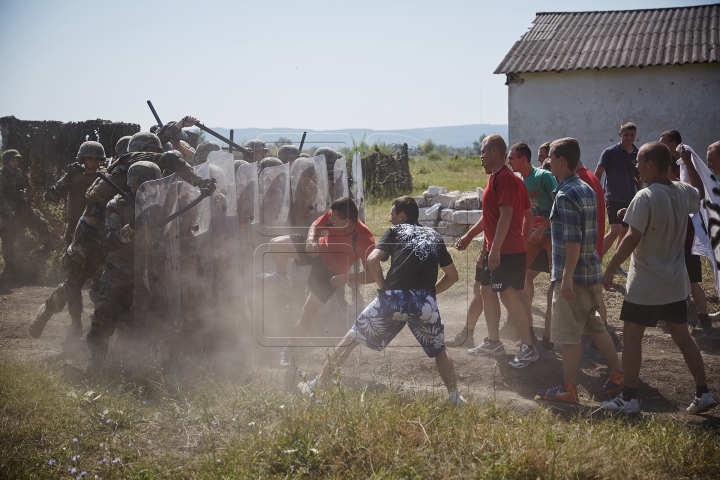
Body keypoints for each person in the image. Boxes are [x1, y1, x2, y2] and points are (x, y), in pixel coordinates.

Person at [297, 196, 465, 406]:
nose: (389, 220)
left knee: (350, 340)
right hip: (424, 303)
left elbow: (372, 259)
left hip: (391, 298)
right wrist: (429, 295)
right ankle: (455, 397)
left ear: (402, 216)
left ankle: (316, 385)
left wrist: (383, 287)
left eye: (392, 215)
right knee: (440, 349)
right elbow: (453, 276)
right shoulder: (435, 236)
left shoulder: (395, 232)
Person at [601, 142, 716, 414]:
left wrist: (609, 268)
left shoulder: (645, 196)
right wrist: (687, 160)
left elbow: (631, 237)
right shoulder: (681, 191)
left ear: (651, 165)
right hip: (675, 283)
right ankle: (704, 393)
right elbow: (699, 191)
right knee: (683, 337)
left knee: (631, 338)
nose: (636, 167)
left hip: (646, 284)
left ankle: (629, 398)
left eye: (639, 162)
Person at [534, 138, 623, 403]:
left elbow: (573, 239)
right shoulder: (585, 187)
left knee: (569, 336)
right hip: (591, 270)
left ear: (562, 160)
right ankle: (618, 375)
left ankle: (568, 388)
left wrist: (567, 276)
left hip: (573, 275)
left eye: (550, 156)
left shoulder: (564, 194)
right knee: (594, 326)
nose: (546, 161)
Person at [260, 197, 375, 368]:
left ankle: (289, 350)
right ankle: (281, 276)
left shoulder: (365, 239)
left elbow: (372, 275)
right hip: (316, 249)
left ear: (348, 221)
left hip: (330, 274)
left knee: (307, 312)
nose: (330, 219)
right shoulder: (335, 214)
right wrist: (310, 240)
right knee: (275, 244)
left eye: (335, 219)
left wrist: (346, 278)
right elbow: (316, 223)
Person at [457, 135, 539, 368]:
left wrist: (497, 249)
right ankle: (494, 341)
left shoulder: (506, 179)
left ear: (494, 151)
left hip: (505, 250)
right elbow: (492, 217)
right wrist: (471, 238)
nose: (480, 158)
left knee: (508, 296)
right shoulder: (497, 179)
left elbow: (506, 215)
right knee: (486, 291)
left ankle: (528, 347)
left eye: (483, 152)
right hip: (496, 249)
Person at [85, 161, 163, 376]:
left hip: (148, 272)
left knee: (139, 321)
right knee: (104, 318)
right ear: (135, 184)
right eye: (147, 185)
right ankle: (96, 363)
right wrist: (133, 227)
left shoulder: (161, 202)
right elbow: (109, 242)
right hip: (120, 271)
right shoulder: (117, 204)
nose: (151, 190)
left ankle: (132, 366)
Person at [28, 142, 108, 338]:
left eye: (98, 159)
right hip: (76, 234)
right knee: (74, 281)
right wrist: (67, 178)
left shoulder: (107, 176)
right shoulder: (74, 175)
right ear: (82, 159)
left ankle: (103, 324)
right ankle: (74, 321)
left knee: (102, 281)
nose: (95, 162)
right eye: (91, 158)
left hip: (101, 235)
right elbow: (51, 195)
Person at [659, 130, 713, 334]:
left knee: (690, 281)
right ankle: (677, 316)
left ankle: (701, 318)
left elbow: (697, 191)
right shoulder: (674, 189)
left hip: (685, 242)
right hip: (680, 241)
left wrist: (687, 161)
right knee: (684, 280)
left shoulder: (679, 189)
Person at [508, 142, 557, 359]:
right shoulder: (517, 181)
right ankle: (528, 334)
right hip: (531, 237)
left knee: (555, 285)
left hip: (552, 236)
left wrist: (545, 226)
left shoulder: (544, 176)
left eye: (512, 158)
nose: (509, 162)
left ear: (523, 159)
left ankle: (550, 341)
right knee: (518, 278)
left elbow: (560, 205)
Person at [0, 149, 53, 275]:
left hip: (23, 210)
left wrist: (26, 194)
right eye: (13, 160)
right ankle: (10, 267)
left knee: (41, 223)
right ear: (6, 161)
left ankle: (48, 251)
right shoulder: (2, 176)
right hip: (9, 213)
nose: (15, 163)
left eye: (17, 160)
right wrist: (8, 211)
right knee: (9, 238)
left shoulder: (19, 173)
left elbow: (28, 188)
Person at [594, 122, 640, 265]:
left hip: (630, 198)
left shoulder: (638, 153)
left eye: (632, 135)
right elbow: (598, 174)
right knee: (615, 231)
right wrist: (598, 194)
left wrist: (641, 193)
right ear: (620, 134)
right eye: (626, 135)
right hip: (613, 197)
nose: (629, 138)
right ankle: (594, 260)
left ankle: (616, 265)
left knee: (624, 232)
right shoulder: (609, 152)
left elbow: (639, 176)